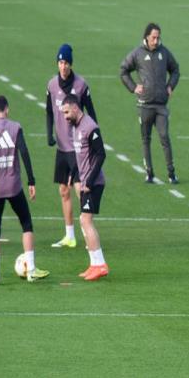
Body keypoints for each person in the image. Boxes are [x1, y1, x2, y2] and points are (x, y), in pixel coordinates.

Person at [0, 95, 49, 285]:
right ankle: (31, 270)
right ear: (7, 109)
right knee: (26, 224)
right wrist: (31, 181)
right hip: (14, 187)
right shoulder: (16, 127)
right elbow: (24, 152)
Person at [46, 43, 98, 248]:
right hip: (62, 147)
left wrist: (94, 137)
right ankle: (69, 236)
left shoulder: (81, 85)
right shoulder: (51, 85)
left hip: (78, 147)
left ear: (71, 64)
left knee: (80, 189)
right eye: (60, 62)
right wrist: (49, 133)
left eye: (66, 62)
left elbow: (92, 112)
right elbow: (49, 111)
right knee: (63, 190)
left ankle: (88, 233)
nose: (63, 66)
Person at [120, 22, 180, 184]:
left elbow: (175, 70)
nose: (156, 40)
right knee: (146, 139)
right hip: (145, 105)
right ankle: (149, 173)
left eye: (158, 37)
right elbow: (123, 70)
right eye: (153, 37)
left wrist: (170, 86)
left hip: (161, 105)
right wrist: (133, 87)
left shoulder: (164, 53)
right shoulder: (137, 53)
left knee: (164, 137)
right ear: (146, 37)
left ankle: (171, 173)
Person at [61, 94, 109, 281]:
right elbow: (80, 155)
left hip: (93, 183)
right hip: (85, 180)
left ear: (75, 107)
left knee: (85, 220)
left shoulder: (90, 126)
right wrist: (74, 172)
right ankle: (94, 264)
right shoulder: (75, 126)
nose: (65, 117)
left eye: (66, 112)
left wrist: (89, 181)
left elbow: (101, 154)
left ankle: (101, 265)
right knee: (84, 220)